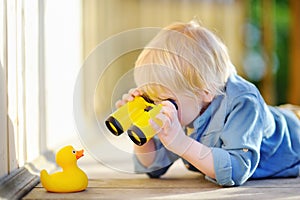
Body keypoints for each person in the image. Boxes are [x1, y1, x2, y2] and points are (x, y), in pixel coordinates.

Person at [115, 20, 300, 186]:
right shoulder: (188, 107)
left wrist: (181, 143)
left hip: (294, 134)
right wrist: (140, 133)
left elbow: (235, 169)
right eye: (150, 99)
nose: (158, 106)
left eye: (167, 100)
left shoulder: (244, 102)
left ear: (205, 92)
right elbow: (154, 167)